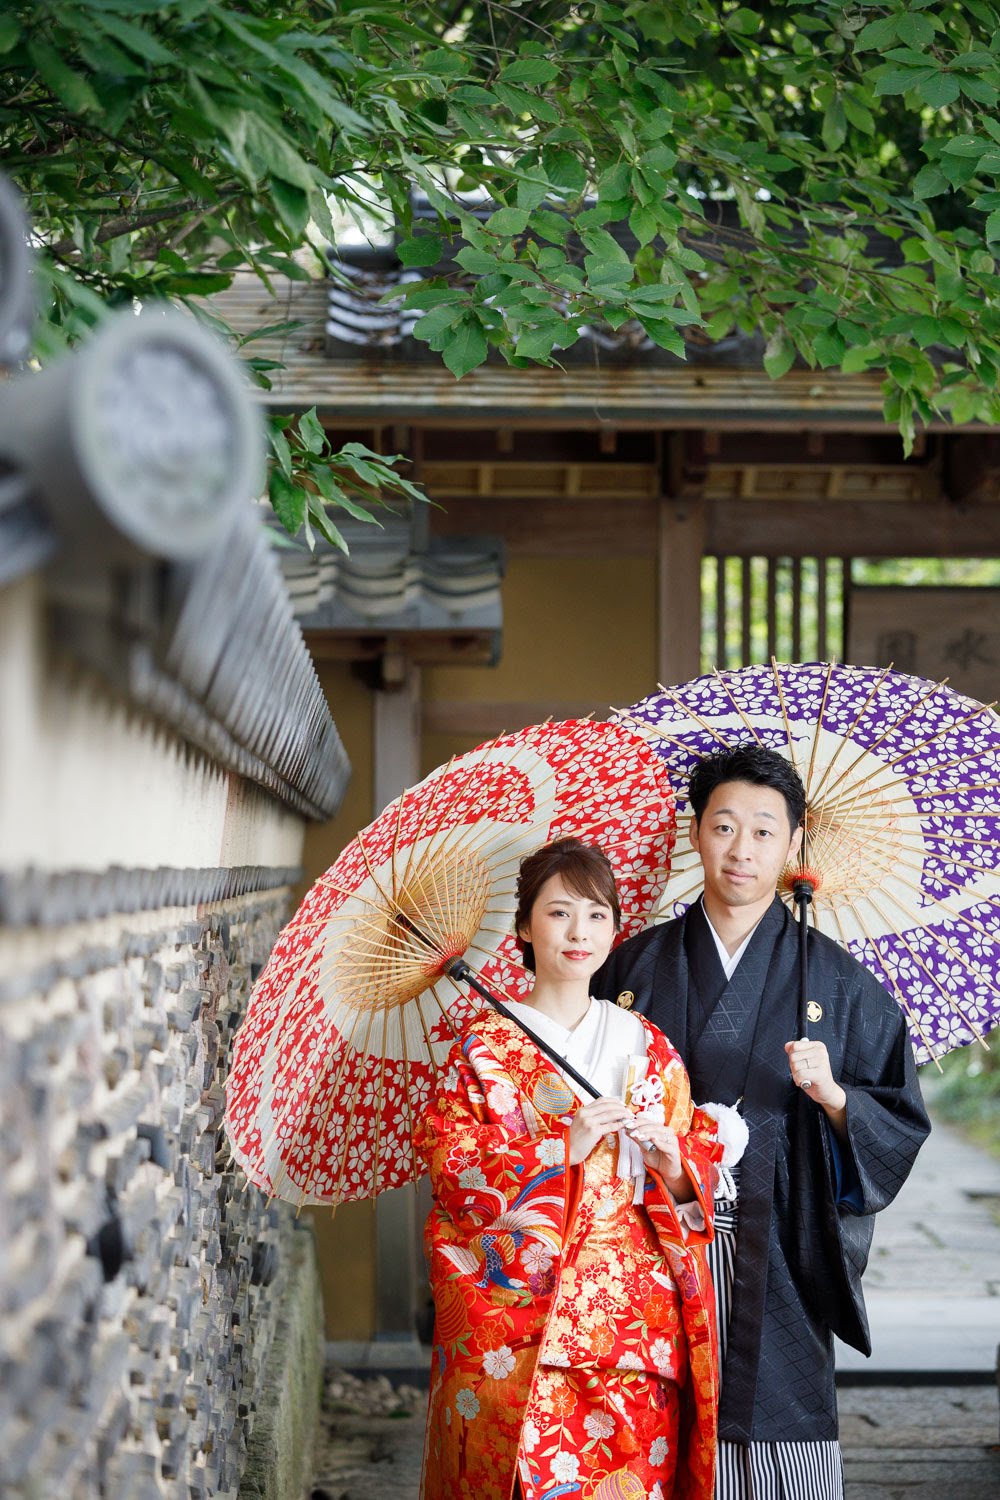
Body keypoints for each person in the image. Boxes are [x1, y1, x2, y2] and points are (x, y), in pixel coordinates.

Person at [594, 744, 931, 1500]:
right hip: (654, 1232)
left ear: (794, 842)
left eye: (763, 831)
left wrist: (837, 1097)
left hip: (778, 1238)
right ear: (695, 833)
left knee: (778, 1422)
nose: (741, 850)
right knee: (650, 1418)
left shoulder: (836, 980)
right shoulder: (633, 969)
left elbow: (899, 1116)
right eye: (723, 827)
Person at [416, 837, 723, 1500]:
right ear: (525, 926)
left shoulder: (646, 1043)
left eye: (595, 914)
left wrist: (673, 1164)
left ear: (615, 927)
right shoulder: (485, 1048)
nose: (579, 932)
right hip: (528, 1334)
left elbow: (694, 1175)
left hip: (634, 1329)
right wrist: (560, 1150)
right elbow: (454, 1169)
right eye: (558, 914)